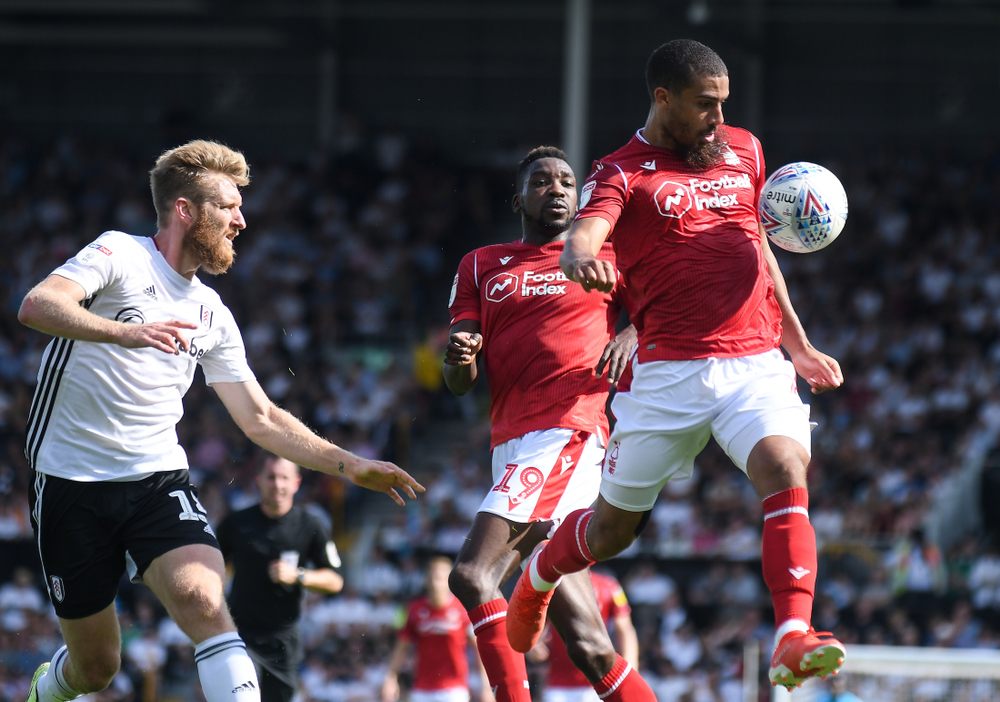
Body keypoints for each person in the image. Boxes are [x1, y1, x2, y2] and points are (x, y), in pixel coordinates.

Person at [18, 140, 424, 702]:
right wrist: (123, 331)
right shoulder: (119, 254)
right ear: (186, 210)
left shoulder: (211, 312)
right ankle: (46, 689)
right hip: (70, 484)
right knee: (96, 669)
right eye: (228, 206)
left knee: (207, 604)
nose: (241, 220)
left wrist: (351, 466)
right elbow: (37, 305)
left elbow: (259, 418)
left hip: (155, 479)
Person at [505, 39, 847, 691]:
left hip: (754, 361)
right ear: (664, 100)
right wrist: (580, 260)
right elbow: (583, 237)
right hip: (667, 376)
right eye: (705, 105)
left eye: (724, 103)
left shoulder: (745, 150)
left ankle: (791, 634)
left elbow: (759, 251)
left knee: (785, 466)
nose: (718, 118)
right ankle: (540, 576)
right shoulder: (621, 172)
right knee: (611, 534)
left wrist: (798, 345)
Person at [444, 146, 656, 702]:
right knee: (588, 647)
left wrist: (632, 334)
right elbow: (460, 382)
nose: (557, 189)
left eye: (566, 180)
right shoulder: (480, 265)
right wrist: (458, 358)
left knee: (471, 576)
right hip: (510, 446)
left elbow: (658, 307)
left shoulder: (607, 254)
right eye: (541, 181)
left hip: (567, 432)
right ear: (519, 197)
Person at [217, 455, 344, 702]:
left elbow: (335, 581)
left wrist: (298, 576)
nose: (277, 484)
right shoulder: (235, 523)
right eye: (271, 477)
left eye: (284, 478)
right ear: (258, 481)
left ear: (296, 483)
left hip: (283, 639)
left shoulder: (310, 525)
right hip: (241, 635)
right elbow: (211, 569)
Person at [381, 556, 492, 702]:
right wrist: (391, 678)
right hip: (422, 688)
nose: (435, 583)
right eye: (432, 577)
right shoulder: (414, 609)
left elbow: (477, 649)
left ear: (448, 581)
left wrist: (486, 686)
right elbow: (402, 647)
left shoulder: (462, 610)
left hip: (454, 689)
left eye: (439, 578)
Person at [534, 570, 638, 702]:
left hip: (598, 682)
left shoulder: (609, 585)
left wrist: (631, 669)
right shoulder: (552, 585)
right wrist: (533, 646)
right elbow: (536, 623)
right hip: (557, 684)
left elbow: (625, 629)